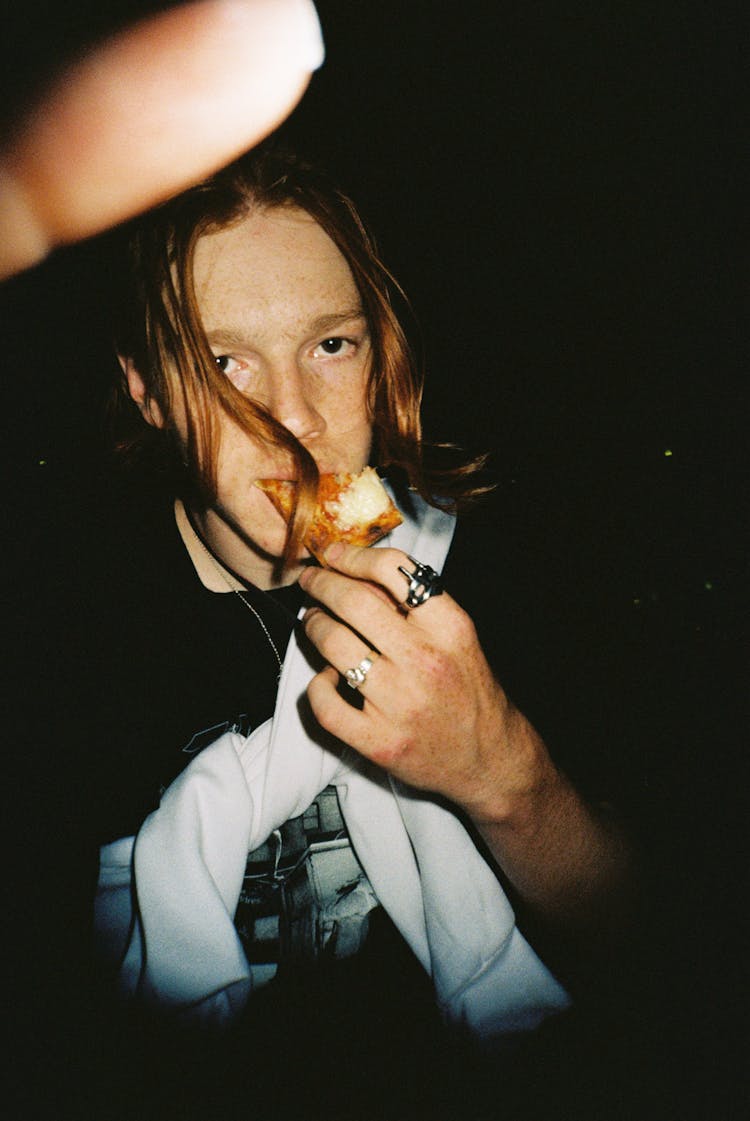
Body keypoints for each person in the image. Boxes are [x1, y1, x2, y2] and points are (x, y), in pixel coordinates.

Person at [10, 142, 637, 1118]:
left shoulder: (490, 575)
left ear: (380, 353)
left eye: (329, 345)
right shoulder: (53, 633)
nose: (291, 419)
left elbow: (668, 947)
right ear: (144, 388)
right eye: (223, 360)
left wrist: (504, 770)